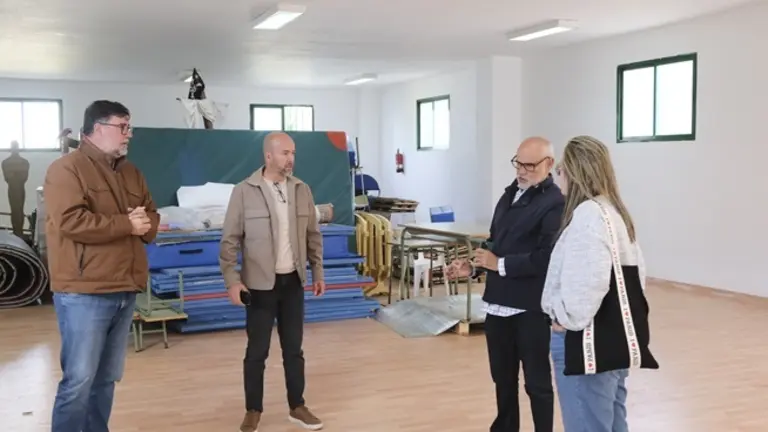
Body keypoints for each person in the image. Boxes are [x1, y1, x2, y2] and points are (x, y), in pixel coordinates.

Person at [44, 100, 159, 432]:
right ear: (97, 128)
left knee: (106, 379)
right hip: (84, 292)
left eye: (129, 127)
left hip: (125, 288)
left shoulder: (131, 172)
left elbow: (151, 217)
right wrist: (127, 224)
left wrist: (144, 224)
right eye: (122, 127)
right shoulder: (66, 169)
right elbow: (71, 221)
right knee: (79, 380)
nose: (129, 134)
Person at [446, 136, 564, 432]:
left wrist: (497, 264)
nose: (521, 171)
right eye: (518, 163)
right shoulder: (509, 195)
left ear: (549, 164)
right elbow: (494, 242)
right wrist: (473, 266)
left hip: (530, 307)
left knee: (536, 382)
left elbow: (546, 257)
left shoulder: (555, 202)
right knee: (502, 378)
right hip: (497, 303)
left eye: (529, 165)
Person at [541, 135, 657, 432]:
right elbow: (637, 278)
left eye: (560, 171)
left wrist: (564, 319)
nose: (559, 178)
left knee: (586, 424)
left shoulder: (588, 216)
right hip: (613, 343)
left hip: (585, 344)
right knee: (611, 423)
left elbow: (588, 283)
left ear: (573, 172)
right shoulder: (616, 213)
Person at [219, 131, 326, 432]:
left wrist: (318, 271)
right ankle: (253, 410)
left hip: (293, 283)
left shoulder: (302, 189)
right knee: (257, 352)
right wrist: (232, 281)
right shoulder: (244, 191)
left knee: (294, 350)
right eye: (285, 153)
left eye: (293, 153)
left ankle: (297, 406)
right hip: (259, 287)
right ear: (268, 155)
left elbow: (313, 235)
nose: (291, 159)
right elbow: (229, 241)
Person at [2, 140, 30, 238]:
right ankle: (16, 232)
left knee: (19, 210)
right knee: (15, 210)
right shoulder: (5, 162)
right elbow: (7, 177)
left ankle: (19, 232)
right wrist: (17, 175)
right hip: (12, 189)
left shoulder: (24, 162)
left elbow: (24, 177)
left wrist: (14, 175)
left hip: (20, 189)